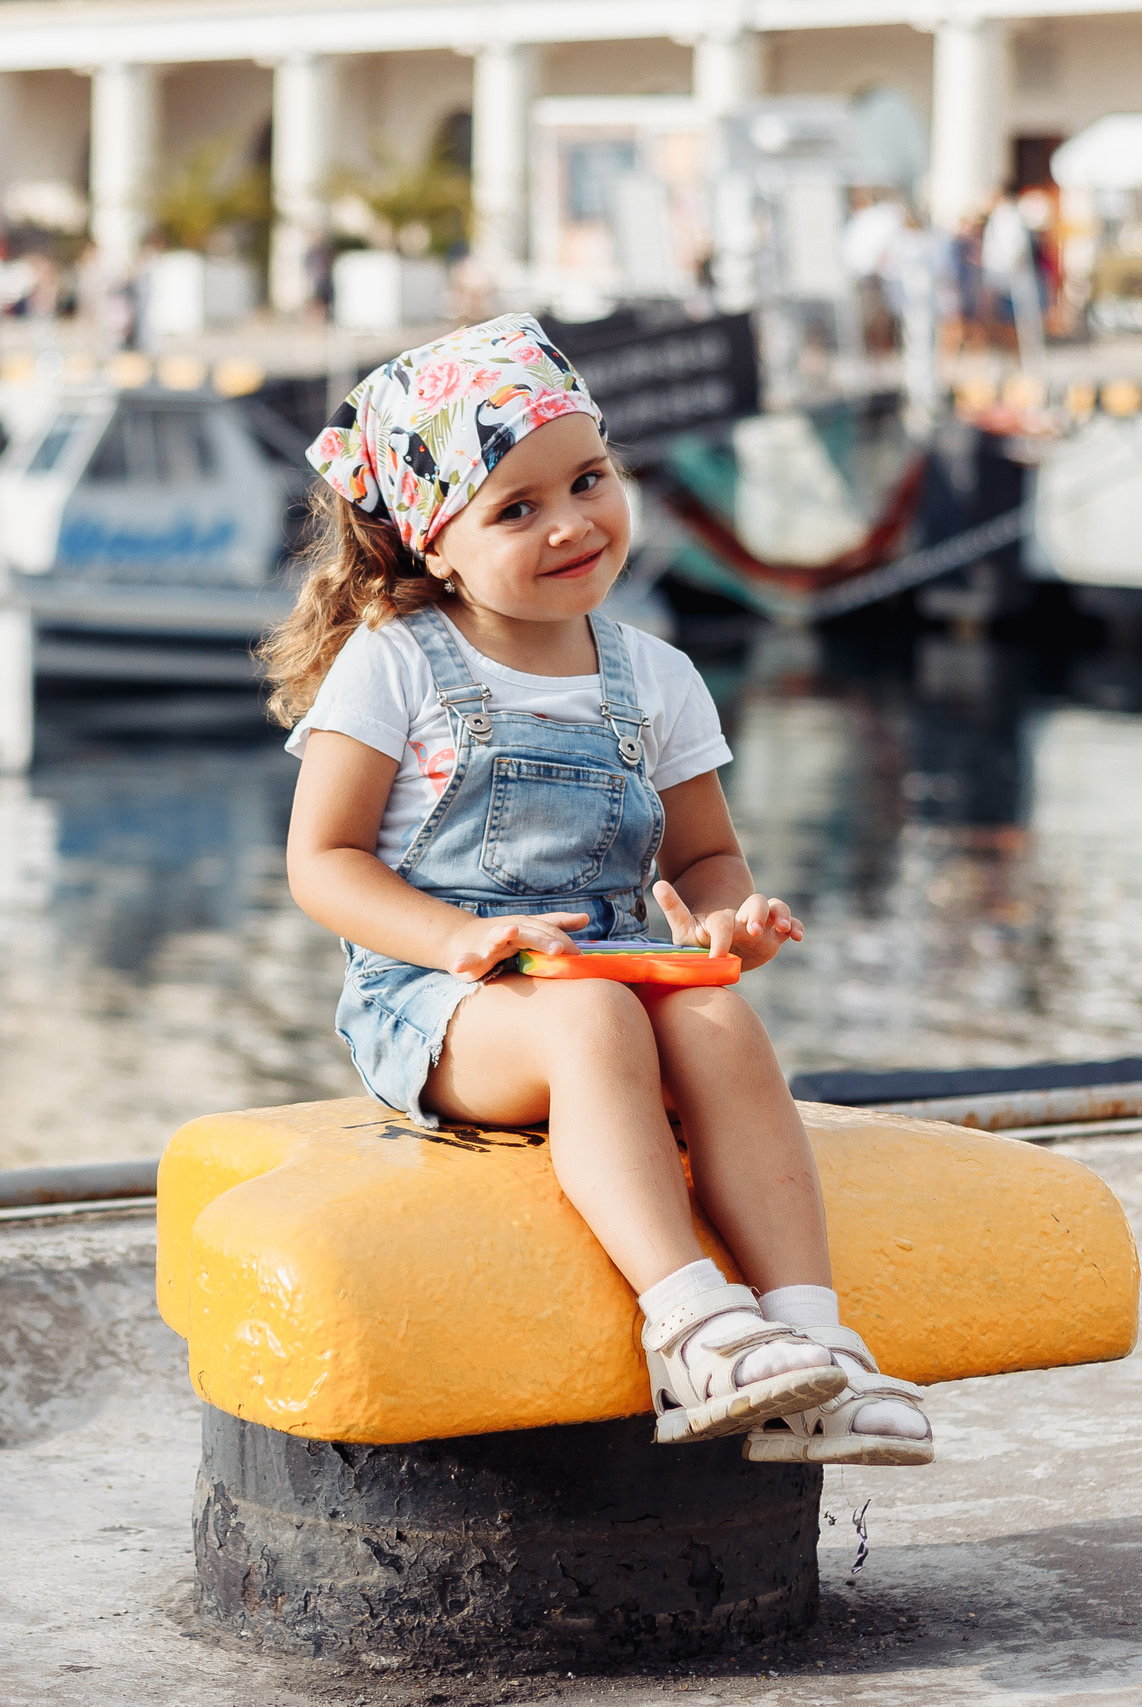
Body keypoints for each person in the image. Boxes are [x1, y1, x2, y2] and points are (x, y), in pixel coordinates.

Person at [264, 315, 933, 1465]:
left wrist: (722, 921)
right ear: (435, 547)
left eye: (587, 479)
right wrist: (456, 937)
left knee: (719, 1021)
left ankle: (812, 1342)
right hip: (443, 1007)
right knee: (590, 1018)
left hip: (616, 975)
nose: (571, 522)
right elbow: (322, 861)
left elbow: (703, 856)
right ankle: (691, 1324)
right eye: (515, 509)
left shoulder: (655, 677)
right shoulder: (395, 664)